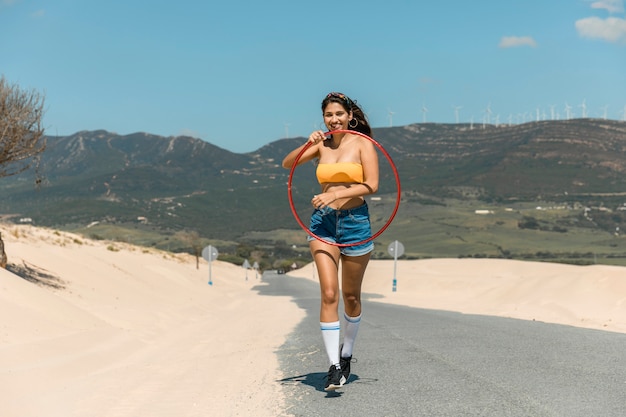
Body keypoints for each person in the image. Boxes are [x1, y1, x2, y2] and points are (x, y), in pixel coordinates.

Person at [282, 92, 379, 391]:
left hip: (355, 224)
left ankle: (346, 353)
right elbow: (288, 164)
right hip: (322, 225)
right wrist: (309, 143)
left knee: (351, 297)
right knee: (328, 293)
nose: (334, 119)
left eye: (339, 114)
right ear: (323, 118)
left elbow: (371, 185)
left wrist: (335, 194)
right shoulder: (321, 145)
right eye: (328, 115)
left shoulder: (363, 144)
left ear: (350, 115)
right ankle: (334, 368)